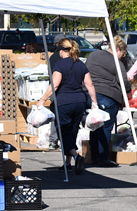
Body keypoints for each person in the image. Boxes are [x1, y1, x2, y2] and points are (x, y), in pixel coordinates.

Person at [37, 38, 98, 174]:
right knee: (72, 132)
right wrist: (94, 102)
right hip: (79, 102)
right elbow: (89, 85)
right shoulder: (81, 65)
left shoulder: (59, 65)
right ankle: (68, 163)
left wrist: (42, 100)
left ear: (62, 51)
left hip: (64, 103)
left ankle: (76, 157)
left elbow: (55, 85)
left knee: (64, 133)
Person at [85, 35, 131, 167]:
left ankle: (94, 156)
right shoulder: (116, 62)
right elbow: (123, 81)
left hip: (91, 95)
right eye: (123, 52)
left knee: (94, 126)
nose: (123, 55)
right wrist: (128, 93)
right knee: (106, 127)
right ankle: (103, 157)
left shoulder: (93, 55)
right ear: (118, 49)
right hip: (108, 96)